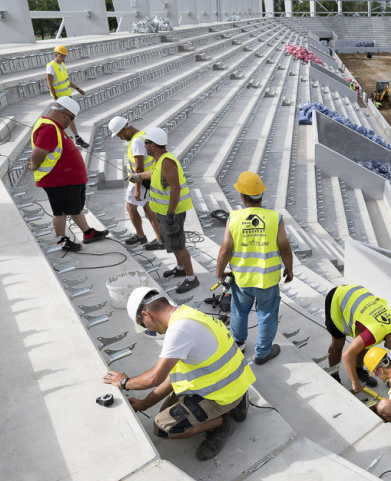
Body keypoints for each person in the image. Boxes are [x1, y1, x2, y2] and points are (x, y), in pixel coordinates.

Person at [103, 287, 255, 461]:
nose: (149, 330)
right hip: (232, 381)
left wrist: (123, 383)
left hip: (223, 393)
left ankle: (223, 423)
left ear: (147, 315)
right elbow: (171, 376)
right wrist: (144, 404)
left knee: (164, 427)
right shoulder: (187, 314)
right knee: (166, 413)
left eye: (144, 325)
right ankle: (236, 401)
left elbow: (154, 378)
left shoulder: (179, 331)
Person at [215, 172, 293, 365]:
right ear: (261, 195)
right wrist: (289, 269)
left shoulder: (233, 218)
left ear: (242, 196)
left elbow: (225, 249)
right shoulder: (275, 218)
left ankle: (238, 343)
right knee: (267, 314)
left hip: (242, 280)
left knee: (239, 311)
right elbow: (284, 246)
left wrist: (219, 272)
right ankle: (263, 353)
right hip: (267, 280)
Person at [27, 97, 108, 251]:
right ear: (64, 115)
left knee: (74, 208)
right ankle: (62, 240)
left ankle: (88, 233)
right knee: (60, 211)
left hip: (67, 180)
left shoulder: (53, 126)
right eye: (71, 119)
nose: (71, 123)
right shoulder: (49, 128)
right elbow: (39, 152)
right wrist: (33, 165)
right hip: (57, 181)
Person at [130, 127, 198, 292]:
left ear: (153, 145)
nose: (144, 146)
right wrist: (139, 176)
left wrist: (171, 213)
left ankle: (191, 277)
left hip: (171, 212)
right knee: (172, 244)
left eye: (146, 143)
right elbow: (155, 173)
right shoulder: (160, 161)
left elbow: (175, 188)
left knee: (178, 245)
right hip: (164, 210)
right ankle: (181, 269)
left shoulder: (167, 161)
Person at [325, 284, 391, 393]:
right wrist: (355, 383)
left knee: (365, 343)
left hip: (357, 294)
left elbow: (367, 341)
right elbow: (347, 355)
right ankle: (334, 376)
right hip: (337, 299)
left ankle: (358, 370)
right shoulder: (375, 331)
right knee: (338, 343)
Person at [107, 116, 164, 251]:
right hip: (148, 180)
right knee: (148, 210)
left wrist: (137, 190)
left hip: (140, 181)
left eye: (119, 135)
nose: (120, 138)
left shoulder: (137, 142)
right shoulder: (141, 135)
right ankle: (159, 239)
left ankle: (143, 236)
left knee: (131, 208)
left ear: (124, 130)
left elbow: (139, 168)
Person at [46, 45, 89, 148]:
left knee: (70, 118)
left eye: (65, 56)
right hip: (60, 99)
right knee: (64, 119)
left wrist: (77, 89)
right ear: (56, 54)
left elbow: (66, 81)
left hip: (67, 96)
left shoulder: (62, 65)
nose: (64, 58)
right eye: (62, 56)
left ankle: (76, 138)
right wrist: (55, 97)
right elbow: (49, 83)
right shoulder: (51, 66)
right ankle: (69, 138)